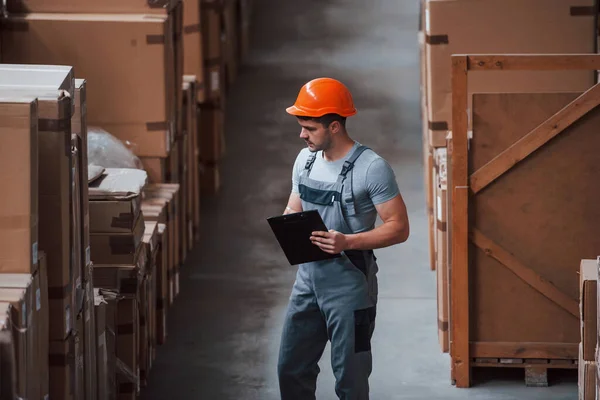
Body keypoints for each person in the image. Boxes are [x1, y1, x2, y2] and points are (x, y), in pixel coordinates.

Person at [277, 77, 410, 400]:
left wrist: (346, 242)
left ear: (334, 126)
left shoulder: (371, 169)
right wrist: (288, 226)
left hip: (351, 286)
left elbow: (399, 227)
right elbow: (294, 207)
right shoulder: (304, 160)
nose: (301, 134)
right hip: (307, 281)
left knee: (350, 378)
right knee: (291, 369)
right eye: (301, 126)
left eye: (309, 128)